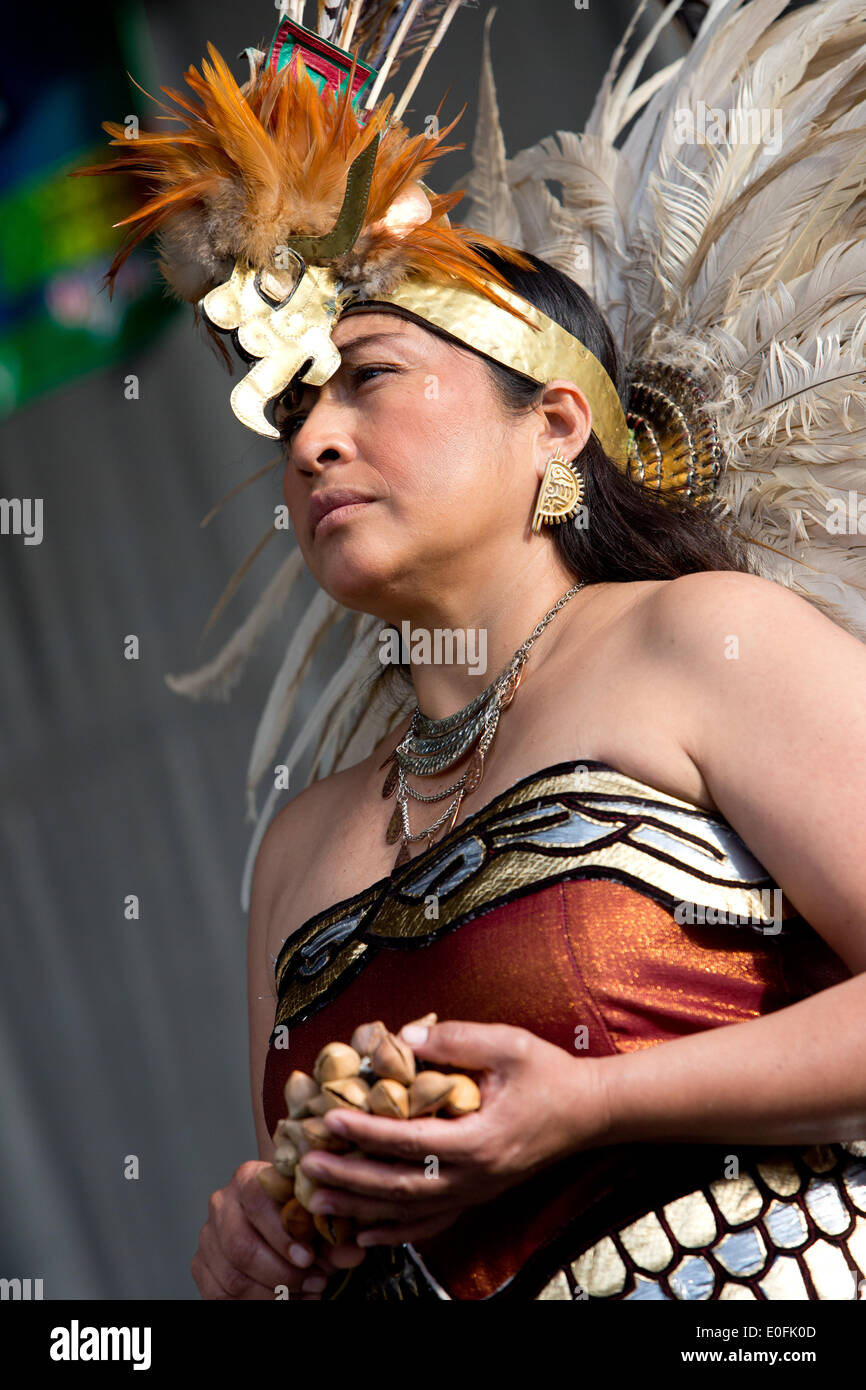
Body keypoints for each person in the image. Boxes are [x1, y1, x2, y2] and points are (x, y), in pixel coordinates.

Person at [74, 0, 866, 1299]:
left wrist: (593, 1102)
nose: (311, 442)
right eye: (289, 414)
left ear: (553, 422)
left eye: (367, 377)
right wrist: (265, 1250)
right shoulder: (300, 846)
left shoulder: (699, 642)